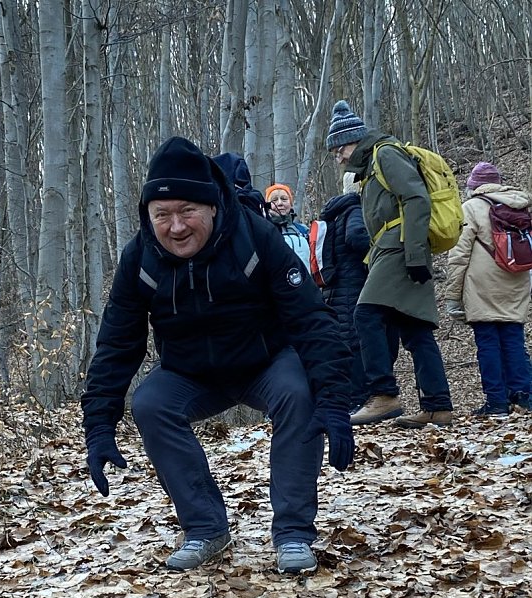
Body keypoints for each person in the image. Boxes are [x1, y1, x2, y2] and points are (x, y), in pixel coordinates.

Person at [81, 136, 355, 575]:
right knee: (150, 404)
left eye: (187, 211)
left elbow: (311, 320)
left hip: (265, 362)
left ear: (211, 206)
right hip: (191, 373)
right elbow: (117, 344)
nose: (176, 227)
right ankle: (206, 529)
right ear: (147, 216)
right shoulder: (140, 258)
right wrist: (98, 427)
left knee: (299, 394)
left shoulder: (255, 236)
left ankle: (293, 534)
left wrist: (336, 403)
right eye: (162, 216)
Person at [325, 100, 454, 429]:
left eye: (339, 148)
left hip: (399, 247)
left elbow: (416, 198)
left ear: (354, 140)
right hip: (392, 247)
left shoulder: (385, 154)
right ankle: (438, 405)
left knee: (365, 314)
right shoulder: (370, 169)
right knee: (415, 329)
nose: (338, 157)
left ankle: (384, 395)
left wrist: (412, 253)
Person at [446, 161, 532, 414]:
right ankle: (524, 395)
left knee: (487, 342)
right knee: (513, 339)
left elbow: (459, 255)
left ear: (474, 185)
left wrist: (453, 296)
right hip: (517, 279)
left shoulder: (471, 208)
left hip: (483, 284)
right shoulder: (521, 204)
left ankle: (496, 401)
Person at [318, 172, 373, 411]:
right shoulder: (355, 209)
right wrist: (378, 251)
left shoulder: (335, 212)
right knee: (356, 342)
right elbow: (357, 236)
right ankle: (359, 398)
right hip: (353, 285)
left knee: (344, 341)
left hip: (335, 287)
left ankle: (349, 397)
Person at [265, 183, 311, 274]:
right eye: (274, 200)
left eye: (284, 199)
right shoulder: (264, 232)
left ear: (291, 203)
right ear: (267, 206)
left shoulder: (304, 230)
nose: (280, 203)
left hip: (306, 285)